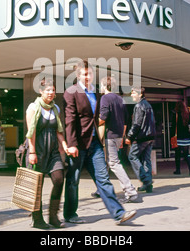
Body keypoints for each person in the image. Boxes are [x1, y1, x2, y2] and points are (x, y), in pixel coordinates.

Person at [63, 59, 137, 225]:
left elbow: (98, 117)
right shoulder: (71, 92)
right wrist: (72, 143)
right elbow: (70, 119)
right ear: (78, 75)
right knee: (73, 181)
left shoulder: (96, 92)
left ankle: (118, 214)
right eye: (84, 74)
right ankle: (69, 214)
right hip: (79, 143)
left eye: (89, 73)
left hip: (95, 143)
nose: (87, 77)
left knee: (103, 178)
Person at [26, 78, 68, 229]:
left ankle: (53, 216)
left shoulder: (55, 108)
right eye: (48, 90)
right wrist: (32, 152)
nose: (51, 93)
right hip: (37, 150)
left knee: (58, 179)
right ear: (41, 91)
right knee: (37, 186)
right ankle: (37, 220)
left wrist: (64, 146)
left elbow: (59, 131)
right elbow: (31, 132)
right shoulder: (33, 107)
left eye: (53, 90)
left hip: (52, 151)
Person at [99, 76, 141, 203]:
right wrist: (122, 137)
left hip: (109, 135)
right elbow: (125, 120)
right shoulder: (120, 99)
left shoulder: (105, 98)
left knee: (114, 163)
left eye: (101, 85)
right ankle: (100, 189)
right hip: (117, 135)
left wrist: (93, 123)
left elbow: (103, 116)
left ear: (105, 86)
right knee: (105, 162)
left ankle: (130, 191)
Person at [125, 87, 156, 193]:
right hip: (150, 136)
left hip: (141, 137)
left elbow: (136, 124)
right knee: (146, 160)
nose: (131, 95)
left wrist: (129, 136)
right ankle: (148, 184)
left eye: (133, 93)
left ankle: (145, 180)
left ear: (140, 94)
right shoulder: (148, 105)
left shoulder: (139, 106)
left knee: (132, 156)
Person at [171, 101, 190, 176]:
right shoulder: (187, 115)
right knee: (186, 154)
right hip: (187, 137)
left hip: (178, 137)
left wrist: (172, 136)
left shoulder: (176, 115)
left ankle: (178, 170)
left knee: (177, 154)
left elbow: (173, 126)